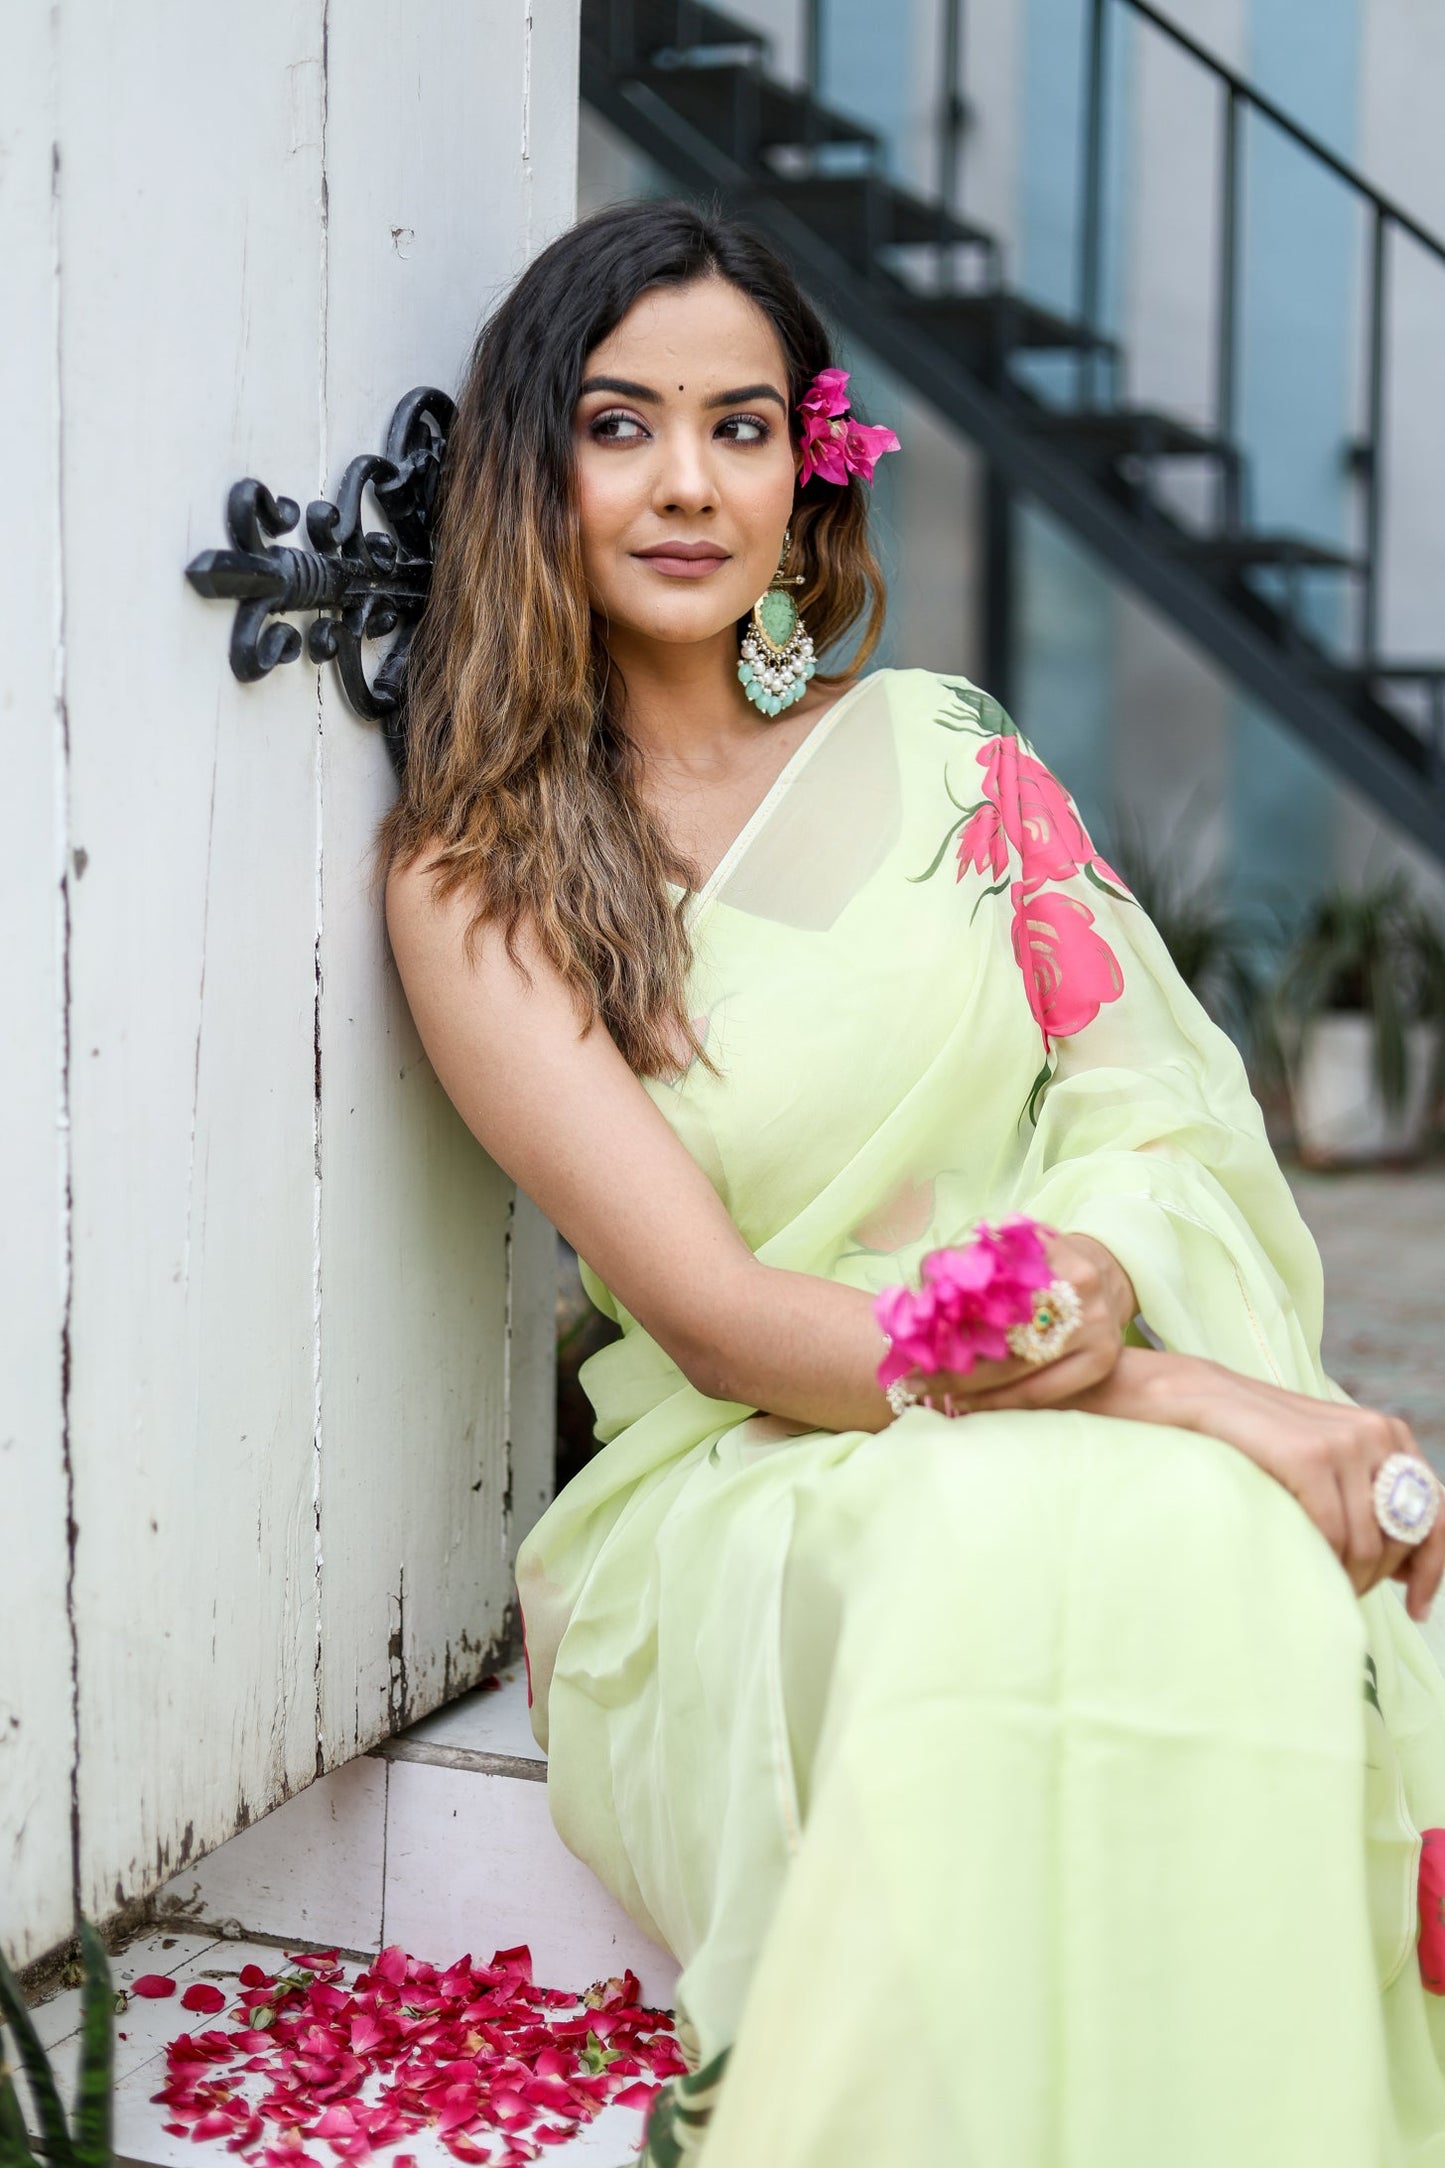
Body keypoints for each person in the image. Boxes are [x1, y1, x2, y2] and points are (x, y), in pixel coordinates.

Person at [375, 196, 1445, 2166]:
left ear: (806, 474)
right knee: (1022, 1542)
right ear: (533, 470)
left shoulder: (950, 751)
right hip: (747, 1481)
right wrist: (1183, 1389)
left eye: (739, 426)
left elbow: (1149, 1107)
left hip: (1051, 1383)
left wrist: (1103, 1273)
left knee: (1190, 1551)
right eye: (619, 425)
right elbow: (719, 1318)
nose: (686, 483)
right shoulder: (483, 873)